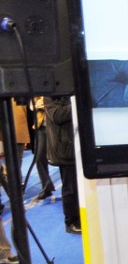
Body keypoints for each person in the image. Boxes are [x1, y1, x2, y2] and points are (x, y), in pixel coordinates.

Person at [43, 96, 81, 234]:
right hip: (65, 150)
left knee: (80, 186)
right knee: (70, 188)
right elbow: (57, 115)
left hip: (78, 147)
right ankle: (71, 221)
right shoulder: (51, 95)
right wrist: (78, 102)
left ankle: (81, 217)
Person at [30, 96, 55, 200]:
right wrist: (38, 105)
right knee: (39, 157)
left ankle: (70, 188)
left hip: (56, 126)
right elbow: (32, 106)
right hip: (41, 127)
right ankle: (46, 187)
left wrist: (45, 104)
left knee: (61, 158)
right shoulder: (37, 93)